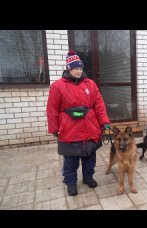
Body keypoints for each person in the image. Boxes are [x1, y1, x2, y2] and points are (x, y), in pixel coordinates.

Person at [46, 50, 111, 196]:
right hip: (69, 130)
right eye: (76, 69)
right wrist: (54, 128)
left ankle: (88, 177)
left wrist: (105, 122)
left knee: (90, 157)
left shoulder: (91, 84)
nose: (79, 71)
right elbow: (52, 109)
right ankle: (70, 183)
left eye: (81, 69)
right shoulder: (57, 86)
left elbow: (99, 105)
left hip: (90, 128)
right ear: (69, 68)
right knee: (70, 161)